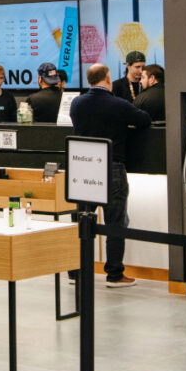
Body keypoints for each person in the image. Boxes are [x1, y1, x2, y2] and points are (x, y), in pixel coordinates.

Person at [71, 63, 151, 287]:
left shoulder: (77, 103)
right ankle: (114, 274)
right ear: (108, 79)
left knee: (82, 219)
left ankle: (75, 271)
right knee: (115, 220)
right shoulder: (119, 104)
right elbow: (144, 120)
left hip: (82, 166)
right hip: (111, 165)